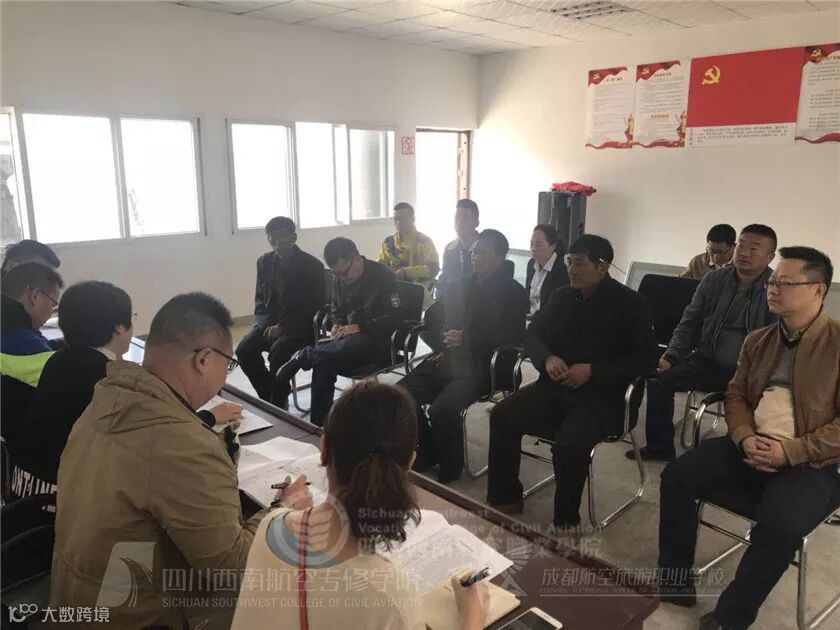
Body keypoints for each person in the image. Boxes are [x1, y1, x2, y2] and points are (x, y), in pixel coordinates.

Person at [50, 293, 307, 629]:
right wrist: (284, 511)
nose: (225, 375)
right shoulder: (184, 445)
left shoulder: (109, 399)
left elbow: (150, 461)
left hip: (76, 601)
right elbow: (234, 570)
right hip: (140, 617)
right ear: (204, 359)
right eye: (228, 364)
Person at [658, 247, 840, 630]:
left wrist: (790, 451)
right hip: (749, 443)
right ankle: (674, 579)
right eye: (773, 281)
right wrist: (743, 437)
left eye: (786, 283)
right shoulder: (759, 340)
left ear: (818, 290)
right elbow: (736, 395)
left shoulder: (836, 344)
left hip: (810, 461)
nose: (773, 289)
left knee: (781, 524)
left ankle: (731, 617)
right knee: (677, 475)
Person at [232, 380, 488, 630]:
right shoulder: (389, 597)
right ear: (410, 463)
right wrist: (472, 617)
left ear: (324, 448)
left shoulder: (269, 526)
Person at [9, 282, 245, 499]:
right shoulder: (110, 381)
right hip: (61, 499)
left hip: (23, 487)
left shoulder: (58, 360)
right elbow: (158, 433)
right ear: (119, 329)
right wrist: (209, 417)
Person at [486, 235, 658, 528]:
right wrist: (547, 358)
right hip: (555, 387)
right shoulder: (562, 296)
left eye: (579, 263)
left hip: (604, 397)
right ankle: (505, 497)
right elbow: (534, 333)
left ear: (602, 267)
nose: (571, 270)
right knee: (503, 415)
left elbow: (645, 359)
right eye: (569, 262)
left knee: (569, 445)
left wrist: (593, 371)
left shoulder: (632, 304)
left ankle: (566, 522)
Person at [628, 224, 778, 462]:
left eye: (754, 248)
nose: (745, 253)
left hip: (749, 373)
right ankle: (660, 447)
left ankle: (735, 453)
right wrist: (671, 356)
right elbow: (690, 322)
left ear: (770, 256)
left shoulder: (778, 288)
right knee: (658, 380)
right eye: (742, 245)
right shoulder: (714, 280)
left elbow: (778, 341)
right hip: (705, 360)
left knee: (756, 405)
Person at [398, 229, 528, 483]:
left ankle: (451, 465)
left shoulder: (513, 292)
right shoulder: (461, 284)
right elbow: (433, 316)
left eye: (483, 253)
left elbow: (512, 335)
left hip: (485, 365)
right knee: (400, 396)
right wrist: (442, 339)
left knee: (441, 410)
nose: (475, 258)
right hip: (448, 359)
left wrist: (467, 338)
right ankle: (429, 449)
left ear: (500, 257)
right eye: (474, 252)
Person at [275, 238, 402, 426]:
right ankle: (319, 425)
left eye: (344, 273)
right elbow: (335, 307)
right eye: (336, 274)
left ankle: (304, 356)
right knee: (323, 362)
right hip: (347, 342)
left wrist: (361, 327)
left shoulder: (383, 276)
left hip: (379, 342)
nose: (342, 278)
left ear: (357, 258)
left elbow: (396, 317)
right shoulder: (339, 277)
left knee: (349, 343)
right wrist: (338, 324)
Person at [235, 216, 325, 407]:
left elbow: (313, 307)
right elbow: (260, 300)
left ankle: (277, 404)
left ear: (293, 237)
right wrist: (267, 326)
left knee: (278, 353)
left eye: (281, 237)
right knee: (244, 349)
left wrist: (283, 326)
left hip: (301, 328)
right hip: (270, 325)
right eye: (272, 238)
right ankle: (270, 397)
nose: (276, 243)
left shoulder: (312, 266)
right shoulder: (264, 262)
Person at [0, 262, 63, 454]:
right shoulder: (24, 344)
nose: (51, 312)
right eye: (53, 304)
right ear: (35, 296)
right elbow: (65, 383)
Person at [377, 202, 440, 282]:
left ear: (413, 219)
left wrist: (406, 272)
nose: (398, 222)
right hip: (393, 285)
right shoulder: (388, 242)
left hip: (418, 286)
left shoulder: (424, 242)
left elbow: (434, 269)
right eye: (396, 219)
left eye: (402, 218)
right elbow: (380, 266)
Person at [435, 199, 480, 299]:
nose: (459, 223)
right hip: (453, 302)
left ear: (476, 222)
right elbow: (444, 277)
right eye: (457, 217)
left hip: (477, 301)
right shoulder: (449, 248)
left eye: (465, 218)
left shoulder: (483, 249)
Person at [526, 224, 569, 318]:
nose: (533, 248)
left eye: (539, 245)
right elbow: (527, 295)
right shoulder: (531, 264)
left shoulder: (562, 269)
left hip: (548, 320)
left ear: (553, 246)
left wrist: (535, 318)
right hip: (529, 318)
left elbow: (556, 306)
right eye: (531, 244)